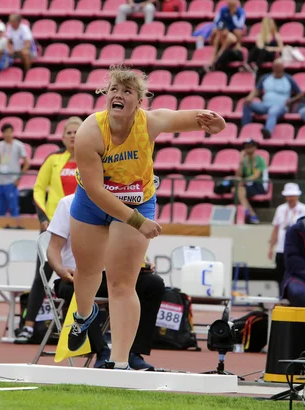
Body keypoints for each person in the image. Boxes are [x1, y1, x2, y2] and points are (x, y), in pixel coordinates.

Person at [67, 64, 226, 370]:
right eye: (114, 89)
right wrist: (139, 223)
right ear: (106, 95)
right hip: (93, 199)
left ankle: (120, 361)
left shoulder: (149, 122)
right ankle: (84, 316)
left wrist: (212, 121)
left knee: (123, 283)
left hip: (138, 200)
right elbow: (99, 192)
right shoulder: (90, 131)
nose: (119, 95)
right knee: (87, 271)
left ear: (138, 101)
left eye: (127, 91)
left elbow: (185, 117)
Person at [33, 194, 165, 370]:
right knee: (76, 287)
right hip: (75, 275)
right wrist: (61, 270)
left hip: (114, 274)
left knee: (153, 284)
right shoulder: (69, 203)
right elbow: (53, 248)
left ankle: (133, 353)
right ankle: (102, 351)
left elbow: (131, 247)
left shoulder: (128, 201)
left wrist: (143, 263)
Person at [15, 116, 82, 343]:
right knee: (41, 277)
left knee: (83, 277)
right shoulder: (53, 160)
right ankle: (28, 326)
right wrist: (43, 218)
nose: (73, 136)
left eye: (77, 132)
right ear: (62, 137)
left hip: (85, 229)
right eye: (69, 132)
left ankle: (78, 328)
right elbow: (38, 189)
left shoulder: (92, 158)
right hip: (55, 228)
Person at [268, 183, 305, 292]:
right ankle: (281, 295)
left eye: (293, 195)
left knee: (297, 274)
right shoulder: (280, 209)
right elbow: (276, 229)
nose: (290, 198)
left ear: (297, 196)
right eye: (288, 195)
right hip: (281, 248)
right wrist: (271, 247)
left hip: (298, 249)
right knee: (280, 275)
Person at [0, 123, 29, 228]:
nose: (7, 134)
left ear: (12, 132)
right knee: (0, 208)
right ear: (2, 133)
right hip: (0, 181)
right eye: (5, 132)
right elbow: (0, 161)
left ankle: (15, 229)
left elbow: (26, 163)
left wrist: (19, 178)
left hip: (12, 181)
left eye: (9, 131)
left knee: (13, 208)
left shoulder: (18, 145)